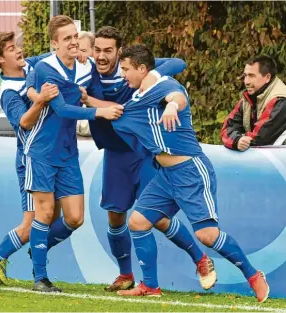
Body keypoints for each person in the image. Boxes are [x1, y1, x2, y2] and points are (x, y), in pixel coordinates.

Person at [110, 44, 269, 302]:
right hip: (165, 176)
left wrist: (172, 107)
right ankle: (150, 286)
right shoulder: (139, 97)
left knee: (207, 235)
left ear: (142, 68)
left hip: (190, 172)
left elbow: (177, 97)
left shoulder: (165, 85)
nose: (123, 74)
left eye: (126, 69)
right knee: (137, 222)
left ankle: (252, 275)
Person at [80, 26, 216, 292]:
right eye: (97, 50)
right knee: (115, 216)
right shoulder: (86, 73)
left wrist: (153, 74)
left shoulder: (135, 73)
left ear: (119, 53)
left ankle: (200, 259)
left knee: (157, 218)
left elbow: (178, 63)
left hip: (144, 153)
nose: (101, 56)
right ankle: (125, 275)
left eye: (108, 50)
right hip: (115, 154)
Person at [24, 15, 123, 293]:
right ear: (54, 44)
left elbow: (94, 91)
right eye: (66, 38)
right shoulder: (46, 68)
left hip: (68, 151)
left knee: (75, 218)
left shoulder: (86, 66)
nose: (73, 42)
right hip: (43, 149)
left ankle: (38, 249)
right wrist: (99, 112)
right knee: (44, 213)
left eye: (75, 37)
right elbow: (63, 109)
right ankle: (40, 278)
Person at [0, 31, 59, 290]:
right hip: (30, 159)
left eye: (16, 45)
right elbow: (24, 123)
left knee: (51, 218)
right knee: (32, 224)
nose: (18, 50)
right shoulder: (8, 92)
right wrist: (40, 100)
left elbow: (55, 56)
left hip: (51, 156)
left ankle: (1, 252)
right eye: (10, 48)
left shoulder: (30, 65)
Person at [221, 55, 286, 151]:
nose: (246, 81)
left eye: (251, 76)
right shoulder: (248, 97)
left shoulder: (280, 99)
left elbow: (259, 139)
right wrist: (237, 140)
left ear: (267, 77)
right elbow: (227, 128)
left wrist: (240, 139)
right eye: (245, 76)